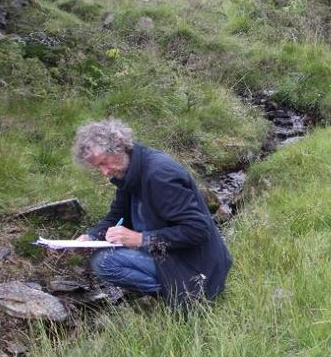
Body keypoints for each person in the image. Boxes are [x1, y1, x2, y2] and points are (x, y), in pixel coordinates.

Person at [72, 118, 232, 307]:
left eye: (104, 163)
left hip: (197, 266)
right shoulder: (128, 173)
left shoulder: (160, 175)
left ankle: (187, 295)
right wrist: (91, 237)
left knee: (105, 262)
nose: (104, 172)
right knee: (102, 255)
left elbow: (198, 230)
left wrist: (141, 239)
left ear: (119, 147)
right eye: (98, 167)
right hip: (168, 253)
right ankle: (170, 290)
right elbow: (116, 217)